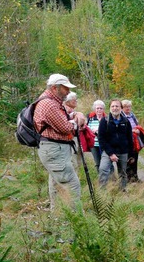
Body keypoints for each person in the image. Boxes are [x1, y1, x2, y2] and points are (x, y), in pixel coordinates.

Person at [34, 74, 85, 210]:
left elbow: (62, 120)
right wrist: (76, 121)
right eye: (65, 88)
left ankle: (57, 219)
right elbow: (66, 128)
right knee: (72, 184)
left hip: (54, 150)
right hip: (54, 150)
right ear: (54, 88)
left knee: (56, 185)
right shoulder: (49, 104)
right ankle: (77, 221)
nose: (68, 91)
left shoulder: (52, 102)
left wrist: (74, 115)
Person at [98, 99, 133, 190]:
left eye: (117, 106)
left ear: (121, 108)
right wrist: (110, 153)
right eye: (112, 106)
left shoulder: (125, 121)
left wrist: (130, 153)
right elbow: (101, 139)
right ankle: (102, 192)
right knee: (103, 169)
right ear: (109, 108)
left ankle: (123, 191)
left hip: (123, 151)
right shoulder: (104, 121)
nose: (114, 108)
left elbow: (130, 138)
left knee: (123, 173)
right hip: (108, 151)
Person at [121, 99, 143, 183]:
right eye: (125, 107)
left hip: (135, 141)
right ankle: (129, 178)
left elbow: (136, 124)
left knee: (135, 158)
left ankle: (135, 177)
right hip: (126, 141)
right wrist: (133, 131)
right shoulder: (121, 116)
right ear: (122, 108)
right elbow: (122, 129)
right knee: (128, 159)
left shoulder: (132, 115)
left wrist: (138, 129)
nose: (127, 108)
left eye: (129, 106)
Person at [87, 100, 106, 171]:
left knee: (106, 162)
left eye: (101, 108)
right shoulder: (90, 119)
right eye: (97, 108)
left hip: (104, 144)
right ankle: (101, 179)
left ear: (103, 109)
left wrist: (100, 131)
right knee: (98, 162)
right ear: (95, 109)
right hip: (94, 144)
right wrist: (92, 131)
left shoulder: (106, 119)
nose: (99, 110)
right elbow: (87, 130)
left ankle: (111, 179)